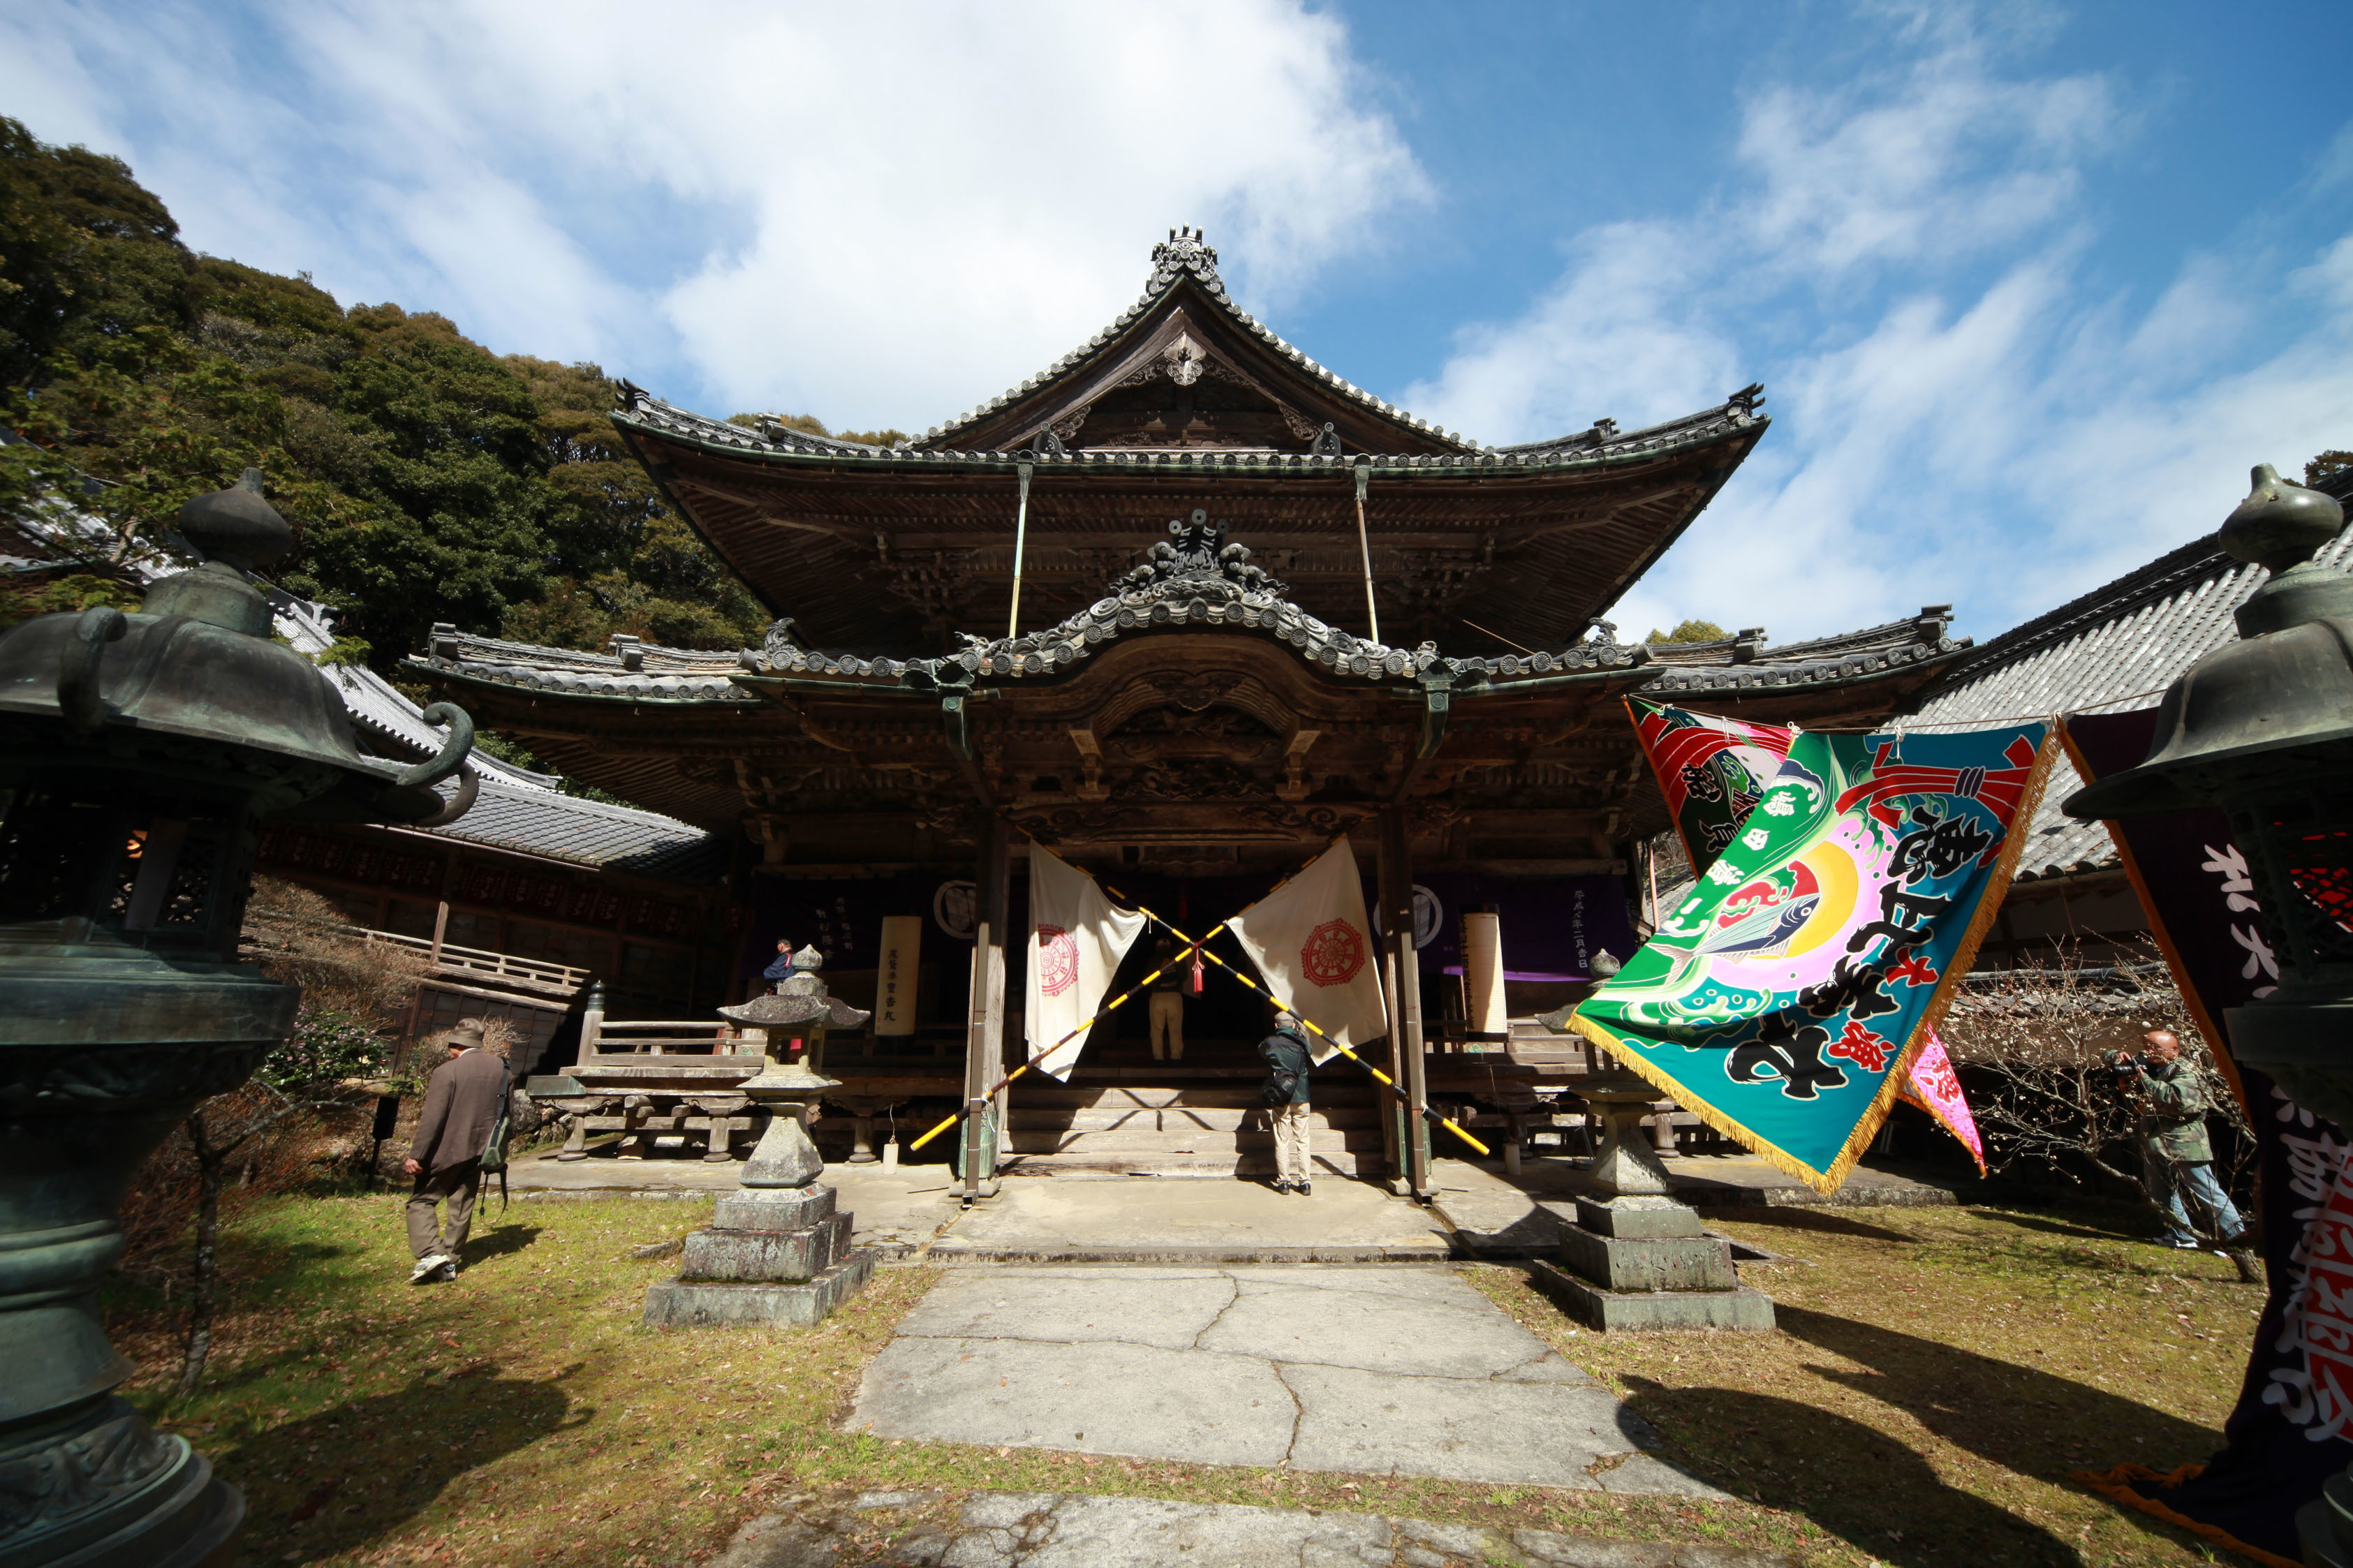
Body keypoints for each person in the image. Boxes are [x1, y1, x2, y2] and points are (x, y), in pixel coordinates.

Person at [2115, 1029, 2245, 1250]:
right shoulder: (2151, 1065)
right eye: (2147, 1046)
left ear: (2175, 1051)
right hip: (2157, 1140)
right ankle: (2180, 1235)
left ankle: (2237, 1240)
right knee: (2162, 1191)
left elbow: (2177, 1100)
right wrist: (2118, 1055)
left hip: (2185, 1141)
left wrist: (2144, 1079)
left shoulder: (2186, 1071)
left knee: (2207, 1191)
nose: (2150, 1052)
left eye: (2156, 1048)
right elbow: (2111, 1060)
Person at [401, 1021, 509, 1284]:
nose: (448, 1049)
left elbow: (432, 1119)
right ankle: (449, 1262)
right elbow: (506, 1113)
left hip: (448, 1150)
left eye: (451, 1044)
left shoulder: (446, 1071)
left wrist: (417, 1154)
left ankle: (430, 1253)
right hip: (482, 1150)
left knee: (421, 1201)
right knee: (462, 1205)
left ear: (458, 1045)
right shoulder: (502, 1069)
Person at [1259, 1009, 1315, 1196]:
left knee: (1282, 1141)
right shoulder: (1302, 1041)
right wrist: (1301, 1032)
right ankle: (1305, 1182)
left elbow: (1262, 1051)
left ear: (1276, 1025)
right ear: (1293, 1024)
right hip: (1302, 1096)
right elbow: (1311, 1051)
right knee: (1303, 1140)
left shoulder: (1270, 1043)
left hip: (1281, 1097)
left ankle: (1284, 1182)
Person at [1148, 935, 1188, 1063]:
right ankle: (1176, 1056)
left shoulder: (1154, 961)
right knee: (1175, 1028)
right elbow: (1184, 976)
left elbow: (1147, 979)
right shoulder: (1178, 959)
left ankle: (1158, 1057)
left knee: (1157, 1030)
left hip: (1158, 997)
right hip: (1174, 996)